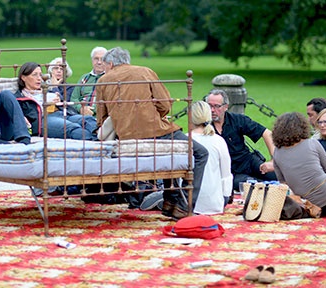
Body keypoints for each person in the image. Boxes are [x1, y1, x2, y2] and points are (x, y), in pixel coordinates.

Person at [96, 47, 208, 220]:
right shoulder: (145, 72)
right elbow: (165, 105)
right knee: (201, 153)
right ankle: (184, 205)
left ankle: (171, 201)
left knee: (170, 153)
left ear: (110, 63)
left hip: (126, 136)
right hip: (156, 131)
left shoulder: (103, 81)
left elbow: (102, 120)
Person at [205, 89, 277, 192]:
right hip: (229, 172)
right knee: (255, 186)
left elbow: (266, 133)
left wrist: (274, 161)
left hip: (248, 162)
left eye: (216, 106)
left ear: (226, 106)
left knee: (277, 176)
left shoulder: (237, 120)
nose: (212, 110)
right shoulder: (204, 126)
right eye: (209, 106)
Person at [14, 61, 97, 140]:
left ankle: (101, 138)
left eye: (40, 75)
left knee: (88, 120)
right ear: (23, 77)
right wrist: (45, 106)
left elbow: (67, 106)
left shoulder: (47, 91)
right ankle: (97, 143)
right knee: (73, 127)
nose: (39, 78)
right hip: (44, 120)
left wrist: (58, 100)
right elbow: (28, 117)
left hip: (62, 114)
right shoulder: (20, 98)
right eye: (35, 75)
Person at [188, 101, 233, 214]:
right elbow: (226, 174)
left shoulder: (185, 140)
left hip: (187, 201)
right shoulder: (218, 141)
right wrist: (226, 196)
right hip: (214, 202)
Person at [70, 47, 107, 116]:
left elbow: (110, 100)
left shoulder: (110, 78)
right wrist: (81, 108)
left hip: (100, 116)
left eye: (102, 59)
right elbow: (74, 98)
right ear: (92, 60)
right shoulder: (85, 78)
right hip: (80, 115)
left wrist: (92, 110)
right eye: (96, 59)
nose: (99, 62)